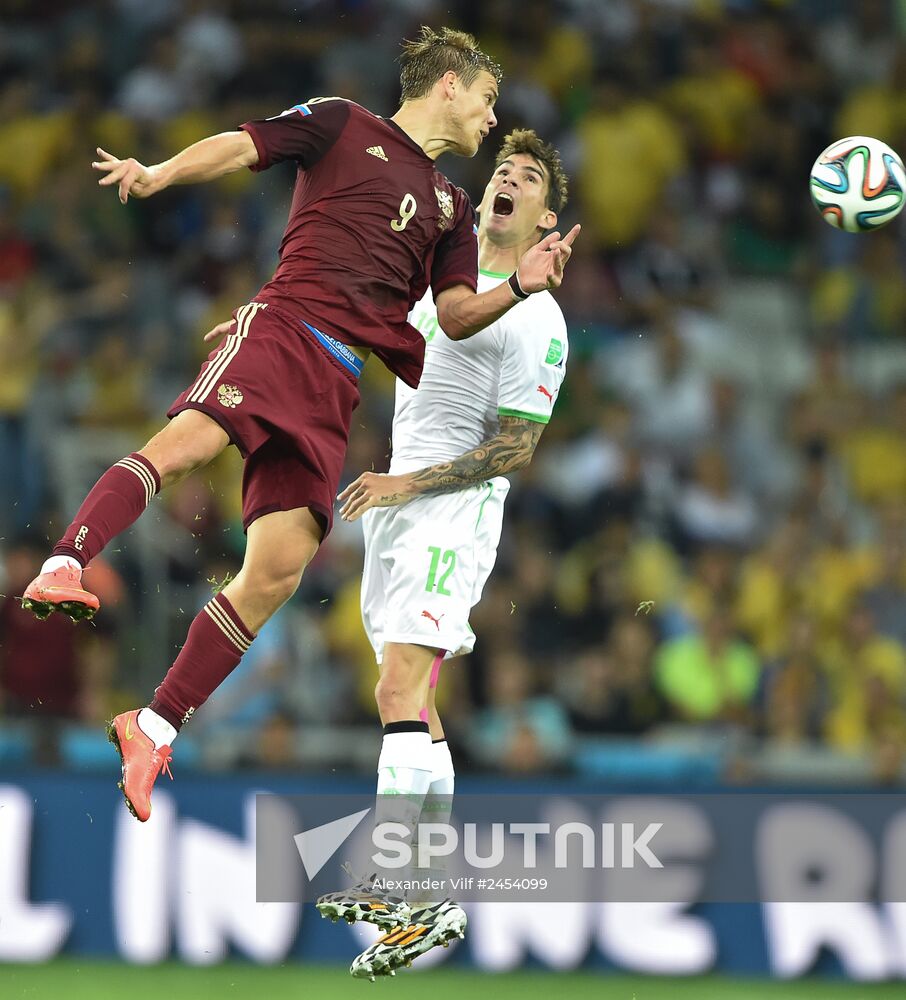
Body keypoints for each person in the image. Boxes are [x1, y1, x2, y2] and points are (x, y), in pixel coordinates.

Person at [20, 27, 578, 823]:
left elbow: (454, 317)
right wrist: (159, 172)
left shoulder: (454, 209)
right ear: (449, 85)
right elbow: (244, 145)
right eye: (488, 100)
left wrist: (519, 287)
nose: (493, 119)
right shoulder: (344, 123)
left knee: (278, 568)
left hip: (335, 382)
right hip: (283, 329)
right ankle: (69, 560)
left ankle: (151, 725)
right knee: (190, 446)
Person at [316, 129, 572, 979]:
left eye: (528, 177)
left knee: (399, 685)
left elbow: (515, 449)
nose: (508, 179)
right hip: (400, 512)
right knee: (415, 707)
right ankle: (429, 897)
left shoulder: (541, 315)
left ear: (546, 216)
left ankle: (400, 879)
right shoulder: (447, 281)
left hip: (452, 512)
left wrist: (405, 485)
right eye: (503, 167)